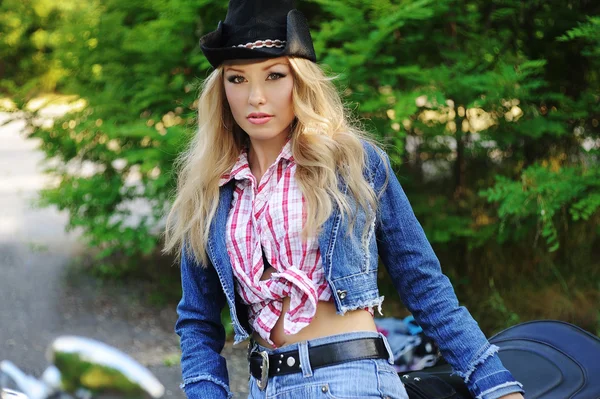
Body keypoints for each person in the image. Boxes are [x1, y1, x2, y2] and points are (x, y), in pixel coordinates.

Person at [164, 1, 526, 398]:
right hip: (264, 386)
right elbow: (197, 322)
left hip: (351, 381)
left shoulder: (352, 163)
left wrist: (496, 384)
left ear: (300, 80)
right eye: (237, 79)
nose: (255, 97)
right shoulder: (209, 190)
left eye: (274, 76)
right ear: (221, 90)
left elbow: (422, 282)